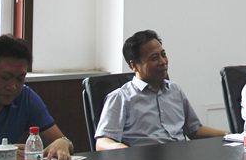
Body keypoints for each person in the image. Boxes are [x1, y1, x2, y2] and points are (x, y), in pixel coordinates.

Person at [95, 30, 225, 149]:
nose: (162, 62)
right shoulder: (121, 98)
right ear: (134, 65)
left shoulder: (174, 90)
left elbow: (194, 130)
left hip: (180, 159)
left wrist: (230, 135)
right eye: (154, 58)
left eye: (163, 55)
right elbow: (102, 143)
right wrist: (125, 151)